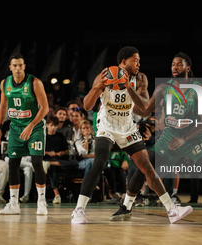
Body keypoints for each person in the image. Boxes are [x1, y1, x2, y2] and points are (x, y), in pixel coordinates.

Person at [71, 46, 192, 224]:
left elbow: (144, 108)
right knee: (99, 162)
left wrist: (128, 87)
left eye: (139, 60)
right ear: (123, 61)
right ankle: (78, 210)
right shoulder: (105, 75)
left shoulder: (140, 78)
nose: (139, 63)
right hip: (107, 125)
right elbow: (87, 106)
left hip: (127, 126)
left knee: (146, 166)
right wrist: (97, 87)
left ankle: (171, 210)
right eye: (136, 60)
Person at [128, 52, 202, 225]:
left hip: (194, 138)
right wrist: (127, 104)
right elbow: (146, 110)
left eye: (179, 64)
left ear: (187, 68)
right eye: (173, 64)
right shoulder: (163, 88)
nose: (175, 67)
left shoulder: (199, 89)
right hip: (169, 138)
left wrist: (184, 138)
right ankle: (126, 207)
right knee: (144, 166)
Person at [0, 53, 49, 215]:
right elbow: (3, 106)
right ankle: (13, 204)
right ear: (10, 67)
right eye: (15, 66)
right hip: (16, 128)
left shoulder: (35, 83)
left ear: (24, 67)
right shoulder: (5, 84)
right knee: (12, 163)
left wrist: (31, 126)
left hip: (35, 127)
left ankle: (41, 202)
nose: (18, 68)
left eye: (20, 65)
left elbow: (44, 108)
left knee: (37, 162)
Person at [44, 116, 78, 204]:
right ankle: (57, 195)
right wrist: (48, 153)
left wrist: (61, 153)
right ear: (47, 125)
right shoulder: (43, 137)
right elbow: (39, 151)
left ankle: (50, 163)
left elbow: (67, 151)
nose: (53, 128)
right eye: (51, 125)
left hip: (60, 161)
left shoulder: (60, 136)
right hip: (48, 158)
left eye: (55, 126)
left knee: (75, 163)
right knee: (52, 169)